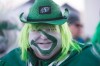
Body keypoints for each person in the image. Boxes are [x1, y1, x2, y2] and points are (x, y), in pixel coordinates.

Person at [0, 0, 100, 66]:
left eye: (51, 29)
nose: (43, 36)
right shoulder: (10, 61)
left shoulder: (89, 58)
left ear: (63, 32)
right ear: (27, 33)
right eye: (36, 29)